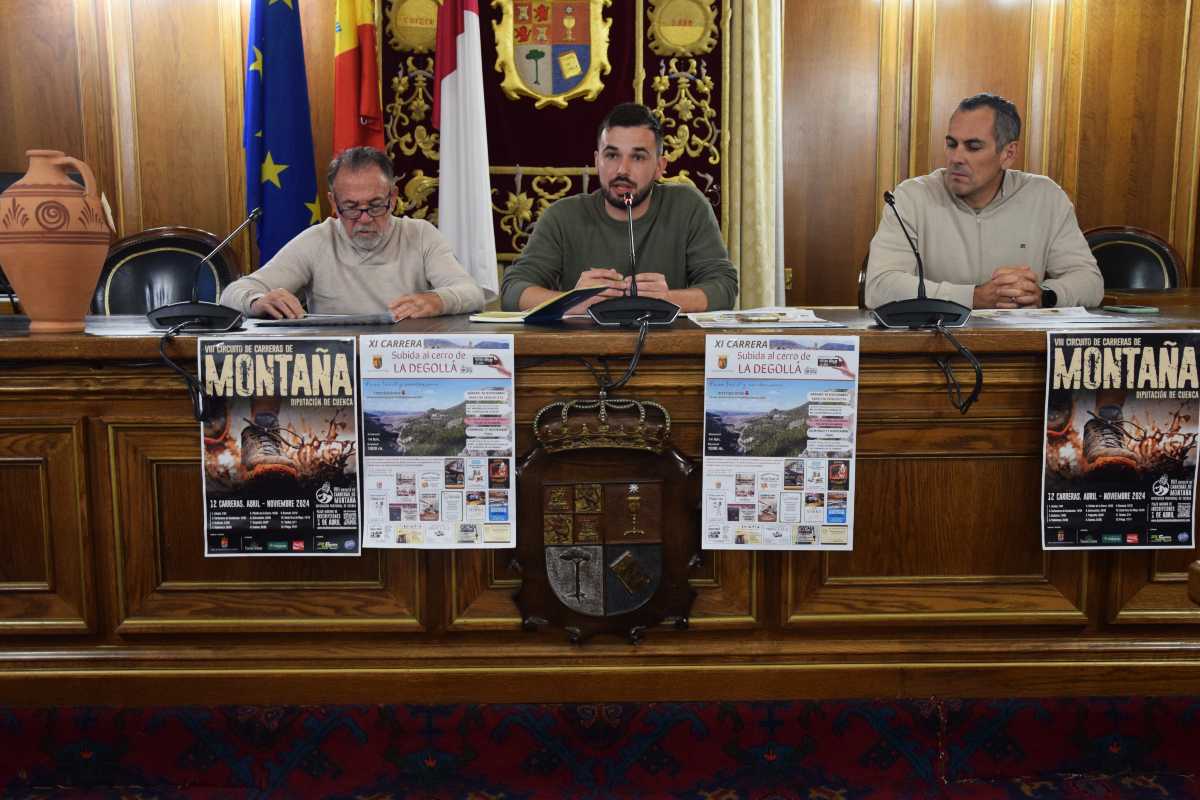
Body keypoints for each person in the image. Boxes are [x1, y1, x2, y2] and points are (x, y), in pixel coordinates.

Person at [864, 93, 1104, 310]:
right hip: (934, 349)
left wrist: (1044, 295)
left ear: (1008, 154)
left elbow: (1089, 282)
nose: (956, 157)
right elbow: (879, 287)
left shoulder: (1045, 197)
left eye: (973, 147)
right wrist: (973, 297)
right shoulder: (911, 197)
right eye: (951, 144)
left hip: (1017, 350)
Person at [500, 103, 738, 314]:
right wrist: (570, 301)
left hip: (666, 354)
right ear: (597, 161)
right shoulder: (562, 215)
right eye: (612, 155)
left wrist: (668, 299)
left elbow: (724, 286)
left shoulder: (688, 207)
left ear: (659, 166)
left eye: (637, 158)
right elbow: (513, 290)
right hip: (581, 356)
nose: (622, 170)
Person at [220, 146, 486, 320]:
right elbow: (232, 293)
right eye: (351, 208)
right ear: (334, 203)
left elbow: (472, 293)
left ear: (392, 198)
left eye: (375, 205)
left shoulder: (420, 235)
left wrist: (437, 300)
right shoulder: (318, 240)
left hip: (405, 366)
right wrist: (257, 301)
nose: (365, 219)